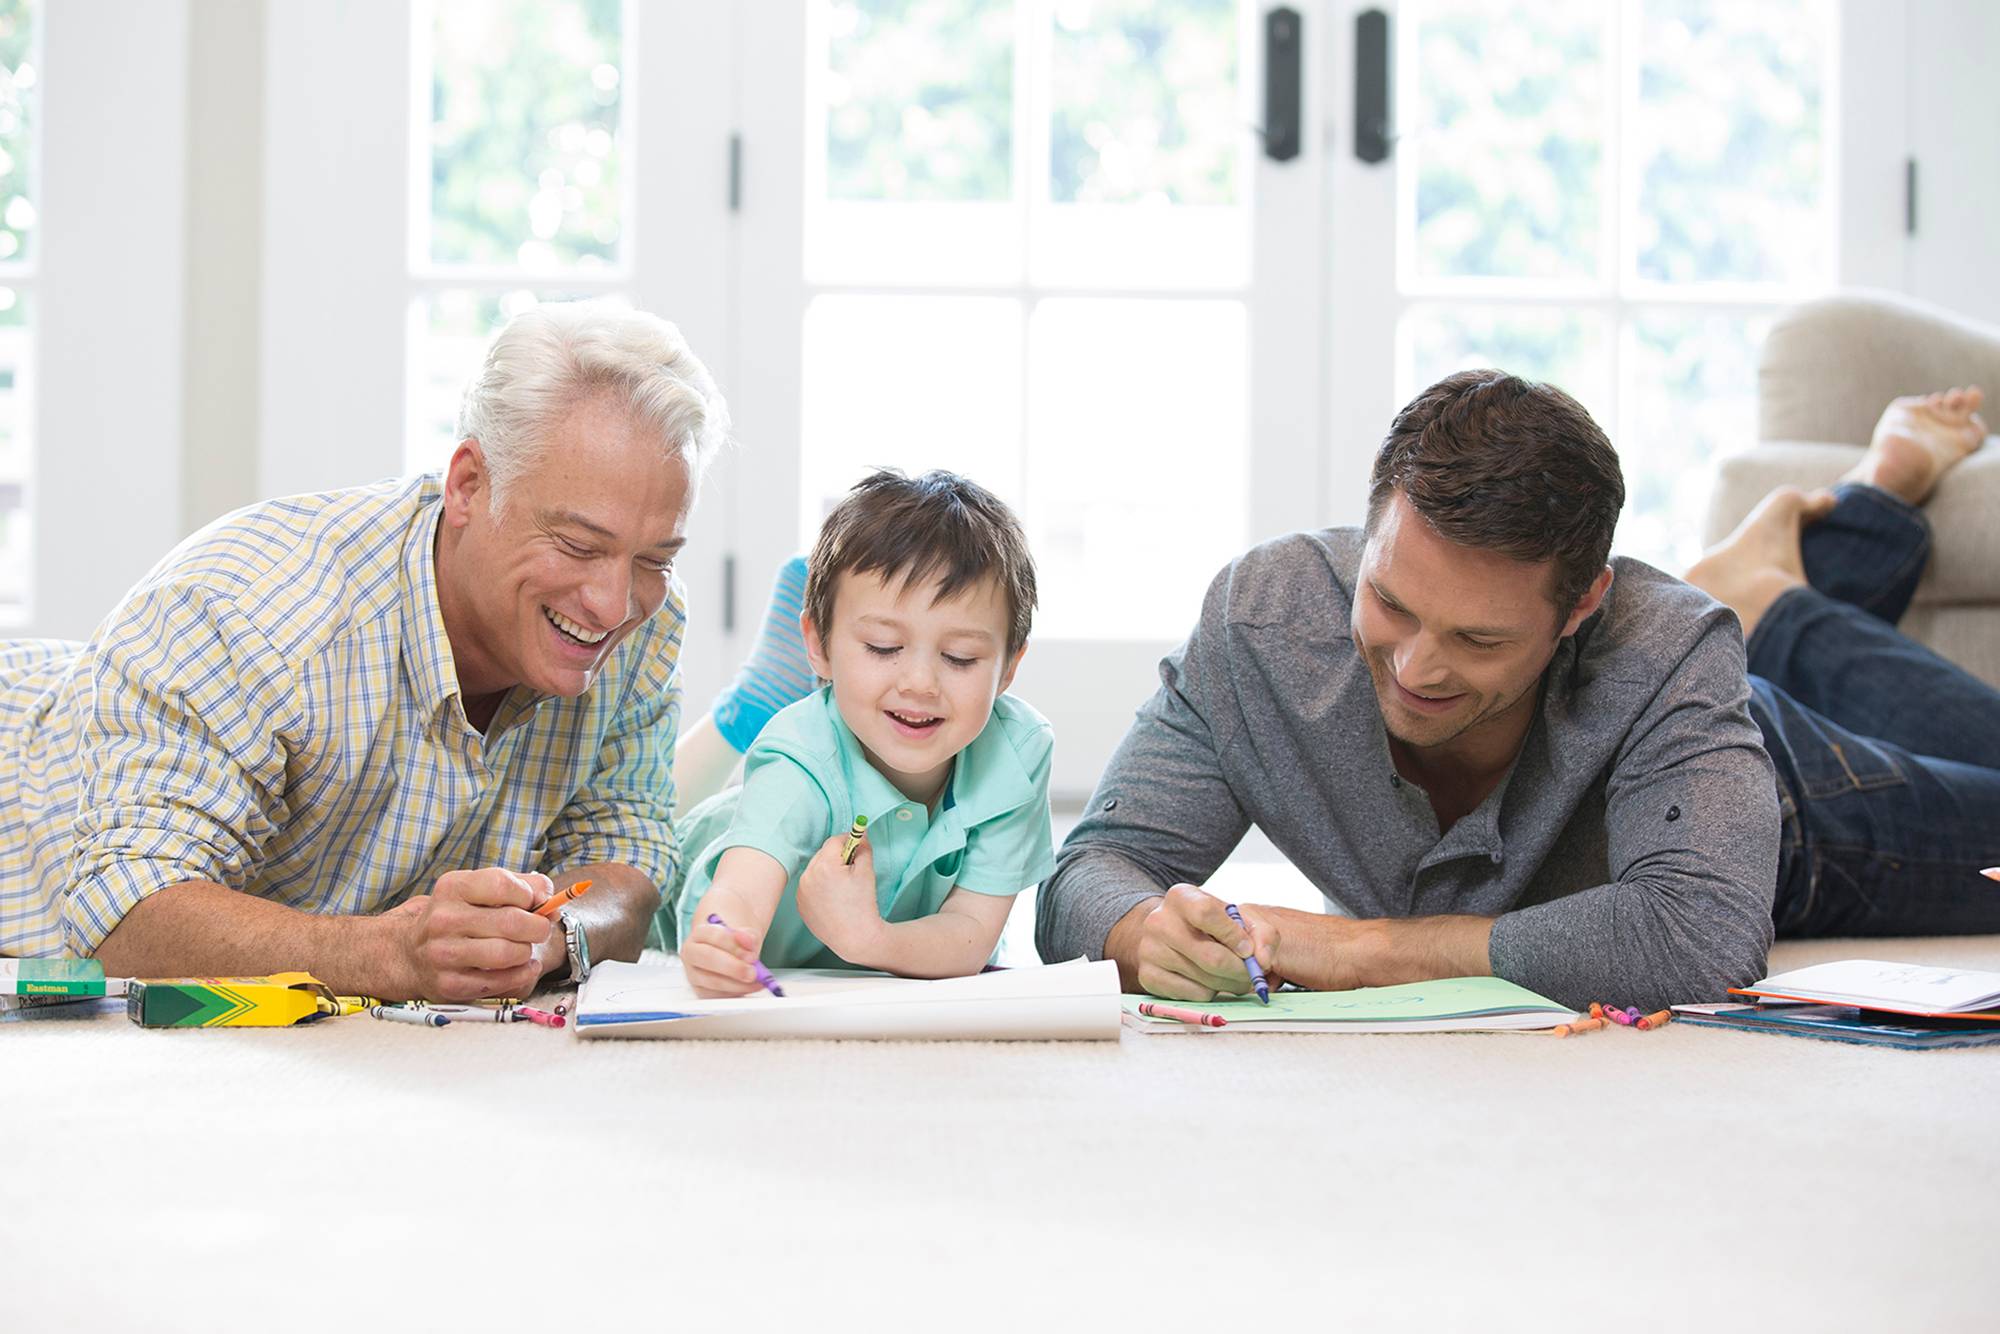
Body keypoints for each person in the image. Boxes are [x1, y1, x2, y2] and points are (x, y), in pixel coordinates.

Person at [1035, 370, 2000, 1011]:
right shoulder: (1263, 620)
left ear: (1581, 607)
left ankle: (1783, 594)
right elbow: (1085, 874)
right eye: (1391, 602)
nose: (1415, 668)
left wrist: (1362, 951)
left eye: (1479, 637)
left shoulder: (1661, 645)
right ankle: (1790, 583)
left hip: (1789, 795)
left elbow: (1701, 936)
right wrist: (1137, 929)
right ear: (1367, 538)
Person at [0, 300, 728, 1002]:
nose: (612, 604)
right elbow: (125, 916)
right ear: (469, 485)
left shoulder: (648, 623)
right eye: (577, 545)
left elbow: (628, 852)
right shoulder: (248, 608)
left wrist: (555, 937)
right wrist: (386, 954)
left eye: (656, 558)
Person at [672, 468, 1053, 997]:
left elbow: (971, 936)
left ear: (1009, 667)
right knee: (636, 855)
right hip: (692, 854)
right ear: (819, 645)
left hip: (879, 931)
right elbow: (740, 888)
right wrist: (722, 939)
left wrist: (869, 941)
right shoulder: (799, 751)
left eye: (960, 657)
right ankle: (758, 697)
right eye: (882, 646)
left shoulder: (1019, 751)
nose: (920, 684)